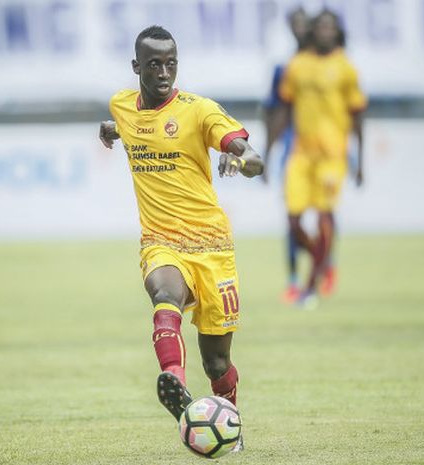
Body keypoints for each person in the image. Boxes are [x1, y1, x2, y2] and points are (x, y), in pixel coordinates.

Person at [99, 25, 263, 450]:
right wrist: (111, 130)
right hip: (161, 240)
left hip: (212, 248)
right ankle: (172, 379)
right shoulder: (121, 105)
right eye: (154, 64)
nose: (164, 72)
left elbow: (252, 155)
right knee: (164, 292)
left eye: (171, 63)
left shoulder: (199, 110)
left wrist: (240, 158)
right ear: (137, 67)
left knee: (217, 359)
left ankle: (230, 422)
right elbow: (127, 121)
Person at [270, 10, 366, 308]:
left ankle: (310, 287)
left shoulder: (346, 68)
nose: (325, 32)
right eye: (321, 27)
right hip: (301, 153)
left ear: (337, 33)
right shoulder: (297, 66)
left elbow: (358, 114)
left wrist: (360, 160)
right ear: (314, 31)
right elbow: (283, 109)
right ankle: (320, 260)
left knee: (325, 216)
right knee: (293, 219)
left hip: (332, 156)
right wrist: (270, 146)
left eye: (330, 27)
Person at [261, 6, 311, 303]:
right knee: (293, 215)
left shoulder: (334, 65)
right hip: (294, 147)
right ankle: (294, 277)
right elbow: (275, 114)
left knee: (326, 215)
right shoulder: (285, 70)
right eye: (296, 24)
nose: (300, 29)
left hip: (325, 148)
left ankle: (323, 267)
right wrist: (267, 152)